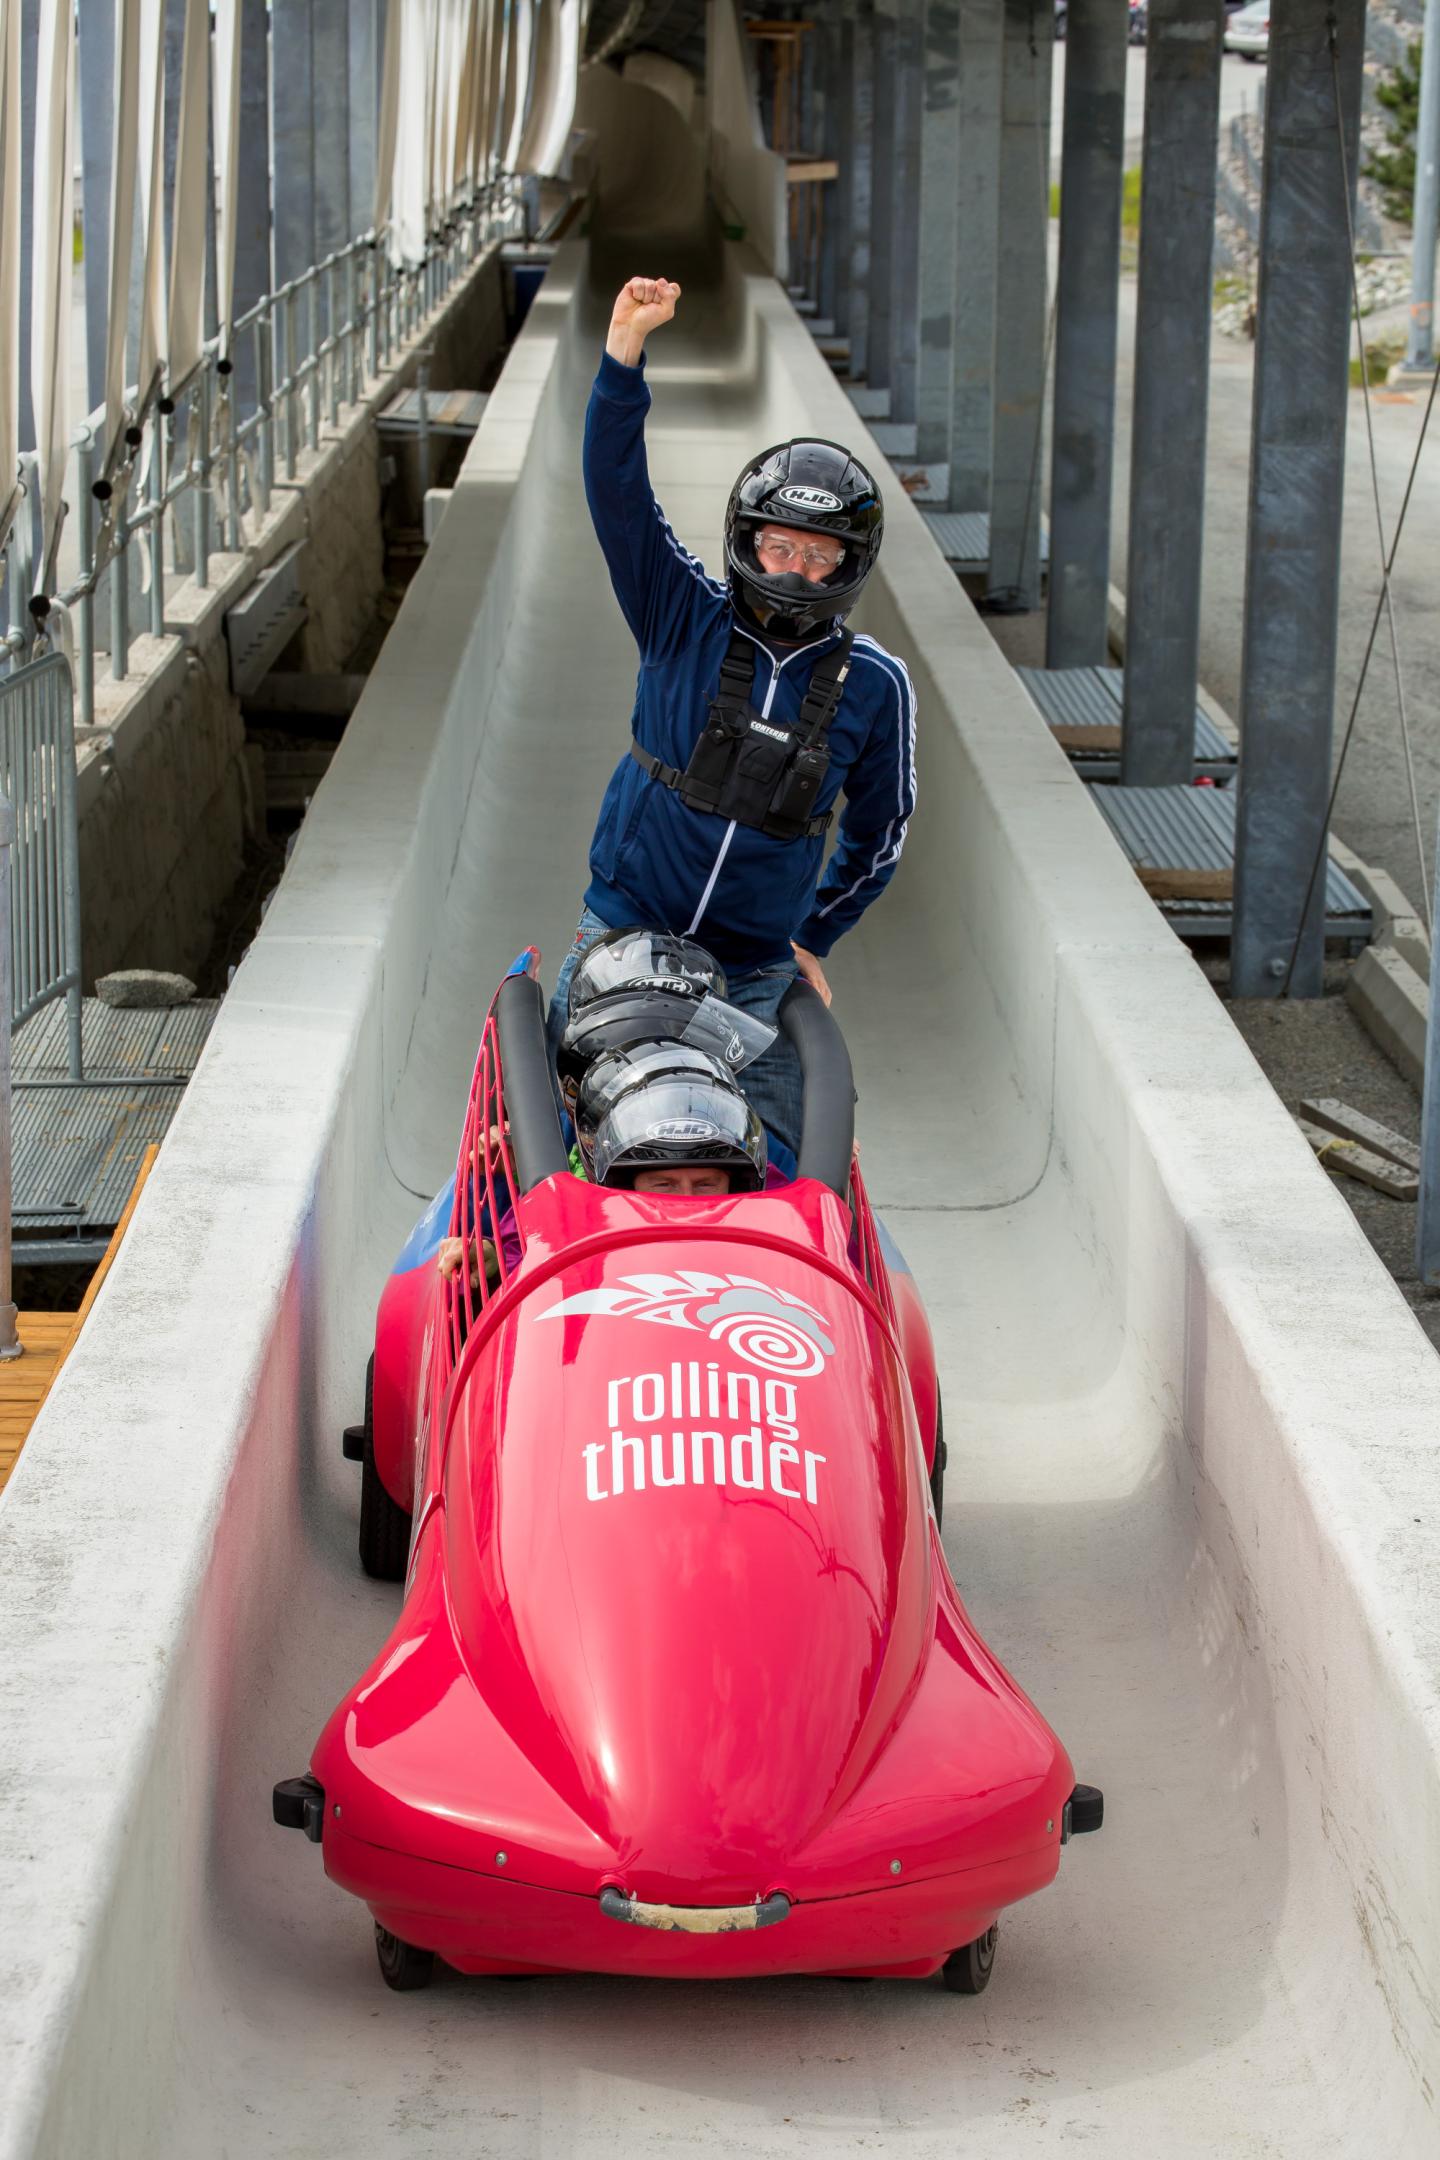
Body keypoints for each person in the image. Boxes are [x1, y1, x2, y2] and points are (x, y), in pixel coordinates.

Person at [549, 273, 918, 1161]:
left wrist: (811, 937)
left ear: (848, 567)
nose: (793, 573)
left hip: (754, 972)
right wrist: (624, 354)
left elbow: (880, 835)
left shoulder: (874, 684)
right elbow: (616, 493)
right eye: (777, 549)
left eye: (818, 557)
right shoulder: (683, 612)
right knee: (576, 1147)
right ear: (746, 542)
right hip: (624, 945)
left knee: (779, 1164)